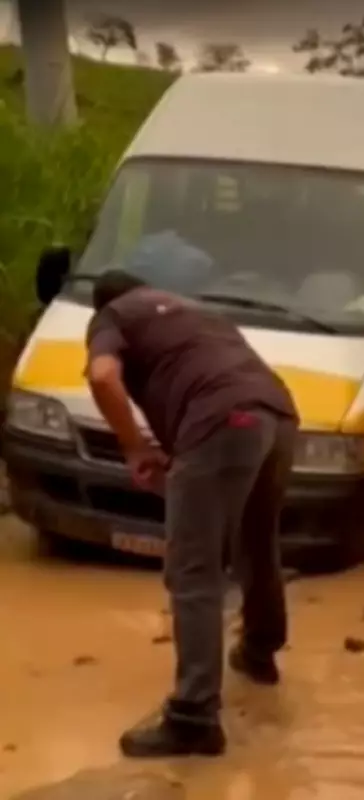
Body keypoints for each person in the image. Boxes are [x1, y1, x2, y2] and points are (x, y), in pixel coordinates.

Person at [85, 269, 299, 758]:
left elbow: (102, 376)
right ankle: (259, 653)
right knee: (256, 539)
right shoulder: (197, 311)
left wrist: (135, 448)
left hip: (222, 417)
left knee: (193, 568)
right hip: (277, 414)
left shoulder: (114, 317)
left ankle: (193, 715)